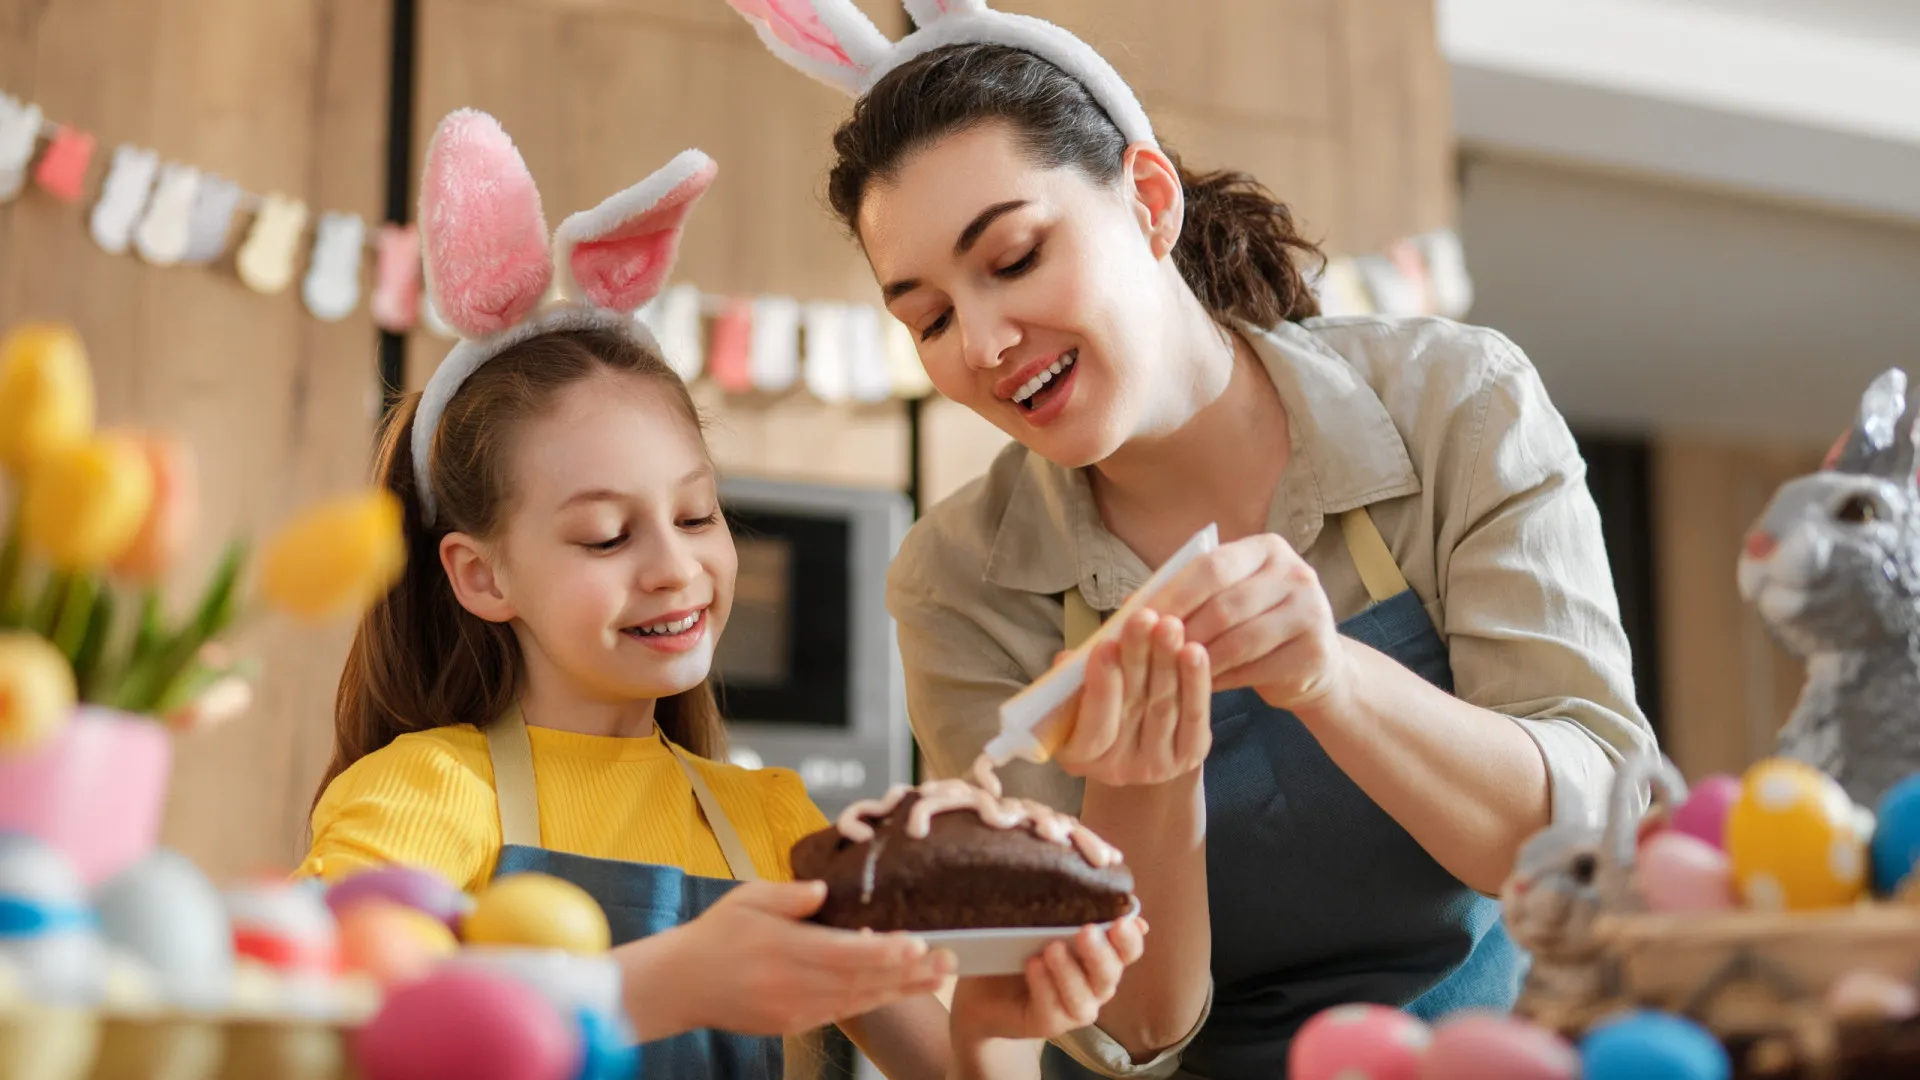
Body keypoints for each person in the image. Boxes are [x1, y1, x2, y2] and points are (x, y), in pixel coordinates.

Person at [727, 2, 1659, 1076]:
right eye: (928, 319)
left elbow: (1591, 835)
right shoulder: (956, 584)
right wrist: (1142, 785)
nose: (982, 342)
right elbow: (1128, 1029)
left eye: (1017, 257)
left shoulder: (1455, 404)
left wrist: (1331, 680)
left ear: (1149, 200)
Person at [299, 108, 1144, 1080]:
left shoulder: (776, 822)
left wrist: (996, 1021)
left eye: (698, 517)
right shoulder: (426, 793)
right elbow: (323, 1037)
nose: (674, 567)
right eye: (608, 535)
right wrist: (669, 982)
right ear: (482, 576)